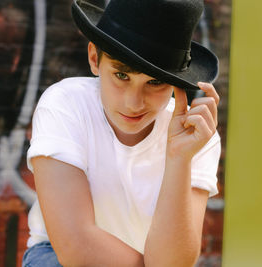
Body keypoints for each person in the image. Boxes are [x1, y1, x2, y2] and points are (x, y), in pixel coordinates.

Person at [23, 0, 221, 266]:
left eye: (155, 81)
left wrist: (179, 158)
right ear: (95, 59)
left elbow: (173, 262)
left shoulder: (195, 136)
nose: (134, 103)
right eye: (121, 75)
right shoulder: (66, 103)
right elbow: (75, 244)